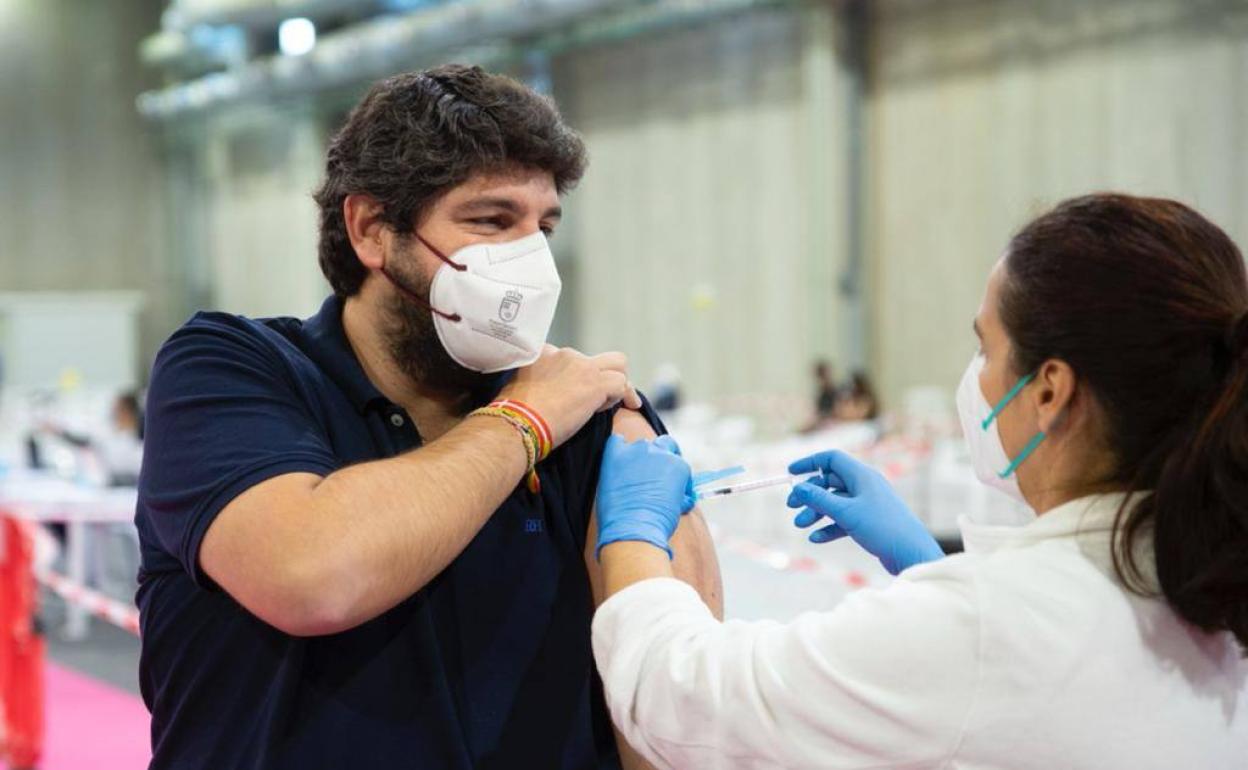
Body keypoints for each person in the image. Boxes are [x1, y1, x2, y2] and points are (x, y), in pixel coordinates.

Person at [135, 65, 720, 770]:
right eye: (491, 221)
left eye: (544, 227)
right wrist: (526, 421)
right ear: (372, 229)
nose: (530, 260)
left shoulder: (588, 407)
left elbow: (673, 709)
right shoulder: (231, 367)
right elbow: (311, 573)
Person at [589, 193, 1248, 769]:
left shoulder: (993, 623)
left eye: (986, 348)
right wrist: (930, 571)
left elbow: (692, 700)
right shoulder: (1206, 574)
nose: (978, 375)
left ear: (1050, 390)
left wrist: (634, 533)